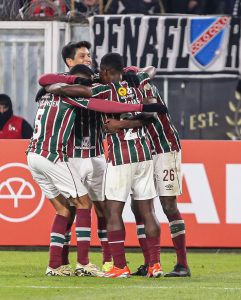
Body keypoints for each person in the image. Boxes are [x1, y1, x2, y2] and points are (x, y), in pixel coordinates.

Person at [40, 53, 168, 278]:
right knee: (147, 210)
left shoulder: (105, 89)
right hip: (145, 154)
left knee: (112, 211)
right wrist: (133, 75)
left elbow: (64, 90)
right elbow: (151, 84)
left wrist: (59, 87)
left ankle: (119, 266)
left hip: (121, 157)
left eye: (102, 72)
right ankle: (155, 265)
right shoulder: (135, 85)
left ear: (106, 72)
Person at [104, 67, 191, 277]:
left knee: (168, 205)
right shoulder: (120, 88)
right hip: (142, 150)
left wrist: (142, 75)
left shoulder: (140, 84)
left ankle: (182, 264)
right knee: (139, 206)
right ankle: (150, 263)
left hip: (164, 147)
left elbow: (151, 106)